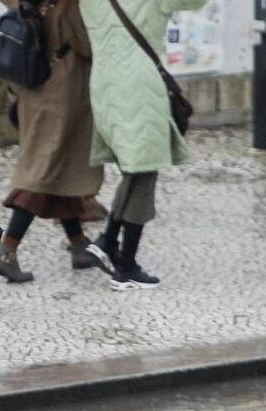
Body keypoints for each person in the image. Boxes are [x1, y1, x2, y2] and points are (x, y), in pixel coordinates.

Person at [80, 0, 208, 289]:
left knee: (136, 168)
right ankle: (124, 267)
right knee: (144, 168)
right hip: (140, 87)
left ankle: (110, 242)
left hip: (104, 84)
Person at [0, 0, 105, 284]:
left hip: (33, 84)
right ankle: (7, 250)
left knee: (61, 164)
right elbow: (86, 43)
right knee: (42, 173)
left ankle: (79, 243)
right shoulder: (72, 4)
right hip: (62, 91)